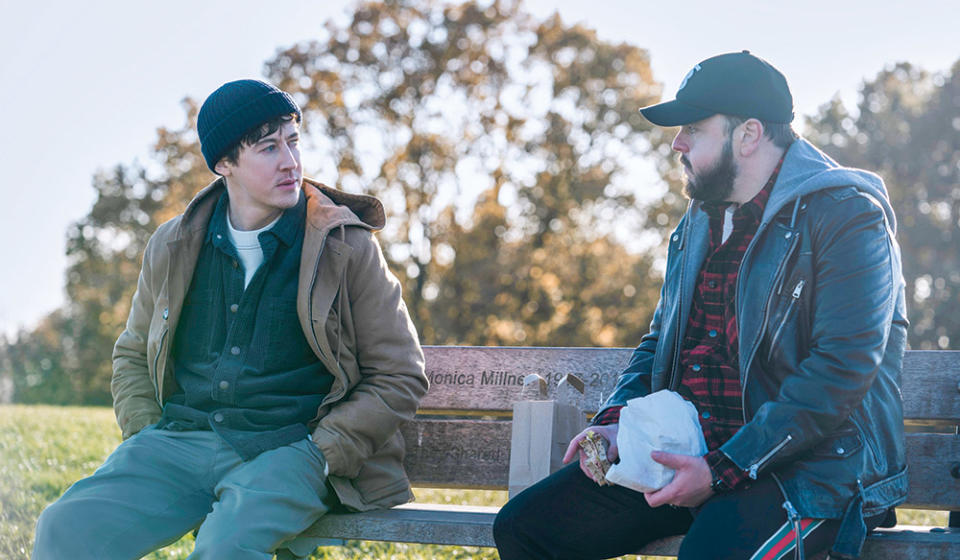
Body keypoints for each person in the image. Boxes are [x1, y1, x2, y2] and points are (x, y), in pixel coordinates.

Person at [494, 51, 908, 560]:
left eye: (693, 127)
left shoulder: (847, 217)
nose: (677, 142)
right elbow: (658, 341)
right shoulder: (697, 225)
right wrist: (619, 418)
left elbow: (841, 369)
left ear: (748, 134)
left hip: (815, 470)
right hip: (699, 456)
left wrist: (721, 471)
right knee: (526, 527)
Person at [33, 79, 428, 559]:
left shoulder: (347, 245)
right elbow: (134, 351)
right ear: (224, 164)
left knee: (226, 548)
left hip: (292, 449)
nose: (290, 160)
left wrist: (324, 452)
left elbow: (400, 373)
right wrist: (144, 434)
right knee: (64, 529)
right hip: (180, 442)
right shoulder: (173, 244)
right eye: (268, 147)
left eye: (293, 140)